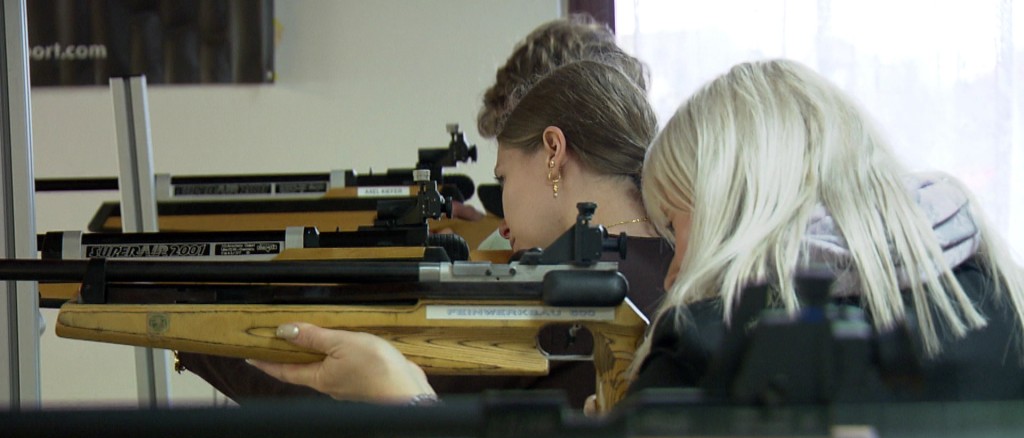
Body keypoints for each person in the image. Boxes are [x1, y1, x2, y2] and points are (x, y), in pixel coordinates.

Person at [248, 58, 1024, 408]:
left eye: (681, 226)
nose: (679, 261)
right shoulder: (988, 291)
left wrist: (405, 410)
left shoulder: (714, 342)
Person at [178, 17, 673, 407]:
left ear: (553, 151)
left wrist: (191, 330)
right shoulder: (679, 266)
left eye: (502, 179)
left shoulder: (559, 297)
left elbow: (348, 409)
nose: (500, 221)